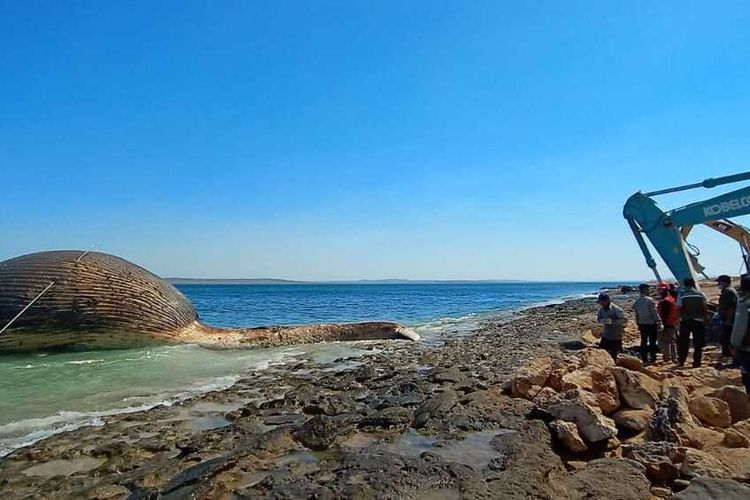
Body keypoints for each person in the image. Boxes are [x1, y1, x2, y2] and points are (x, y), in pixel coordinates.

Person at [676, 278, 709, 368]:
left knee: (683, 342)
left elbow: (678, 307)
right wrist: (706, 320)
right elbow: (705, 308)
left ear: (685, 284)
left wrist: (677, 319)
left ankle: (681, 361)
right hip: (698, 321)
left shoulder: (682, 294)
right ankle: (697, 362)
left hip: (685, 321)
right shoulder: (701, 294)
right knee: (698, 343)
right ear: (693, 284)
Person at [730, 275, 750, 396]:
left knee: (747, 374)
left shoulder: (745, 303)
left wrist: (734, 344)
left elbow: (740, 326)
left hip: (747, 348)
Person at [633, 283, 662, 363]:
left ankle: (644, 358)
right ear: (645, 290)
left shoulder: (637, 301)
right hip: (651, 323)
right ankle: (653, 358)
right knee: (652, 342)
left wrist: (638, 323)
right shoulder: (650, 300)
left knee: (643, 341)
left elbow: (637, 314)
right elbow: (655, 313)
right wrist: (659, 322)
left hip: (642, 323)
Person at [597, 293, 627, 361]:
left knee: (614, 355)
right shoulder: (601, 310)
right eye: (600, 302)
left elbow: (624, 320)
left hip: (615, 335)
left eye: (602, 302)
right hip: (606, 335)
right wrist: (601, 321)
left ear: (607, 301)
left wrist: (612, 322)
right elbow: (598, 319)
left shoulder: (616, 309)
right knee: (602, 353)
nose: (601, 304)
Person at [717, 275, 738, 368]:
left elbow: (731, 307)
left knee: (728, 340)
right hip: (728, 319)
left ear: (725, 282)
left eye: (720, 282)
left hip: (730, 320)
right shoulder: (727, 291)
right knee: (725, 339)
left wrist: (728, 320)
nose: (718, 284)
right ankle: (729, 358)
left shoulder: (729, 291)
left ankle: (731, 359)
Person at [657, 282, 679, 363]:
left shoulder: (665, 301)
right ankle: (674, 357)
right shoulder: (672, 299)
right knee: (672, 341)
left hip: (666, 323)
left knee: (664, 341)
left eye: (661, 290)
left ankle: (667, 357)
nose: (660, 292)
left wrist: (661, 323)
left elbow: (664, 314)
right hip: (672, 322)